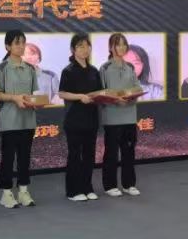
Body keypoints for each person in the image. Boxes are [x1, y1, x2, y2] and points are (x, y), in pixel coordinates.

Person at [0, 29, 39, 209]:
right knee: (8, 158)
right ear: (8, 46)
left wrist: (36, 102)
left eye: (23, 43)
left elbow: (33, 94)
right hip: (9, 121)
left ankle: (23, 191)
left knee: (25, 158)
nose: (21, 46)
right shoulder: (2, 68)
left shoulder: (30, 69)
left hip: (28, 119)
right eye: (17, 43)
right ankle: (6, 193)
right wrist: (14, 98)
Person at [58, 33, 102, 202]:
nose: (85, 49)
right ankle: (73, 191)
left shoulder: (94, 71)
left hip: (91, 118)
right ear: (73, 49)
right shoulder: (68, 71)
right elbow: (62, 93)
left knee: (90, 155)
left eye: (87, 46)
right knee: (75, 155)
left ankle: (87, 187)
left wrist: (103, 96)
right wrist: (80, 97)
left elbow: (99, 91)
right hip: (74, 119)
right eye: (80, 46)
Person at [99, 34, 143, 197]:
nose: (121, 48)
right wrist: (115, 99)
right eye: (118, 45)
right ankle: (110, 185)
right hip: (112, 117)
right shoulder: (104, 68)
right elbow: (101, 93)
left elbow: (137, 88)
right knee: (111, 153)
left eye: (124, 44)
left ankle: (129, 184)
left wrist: (131, 96)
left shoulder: (130, 67)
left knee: (129, 152)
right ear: (111, 47)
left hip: (129, 116)